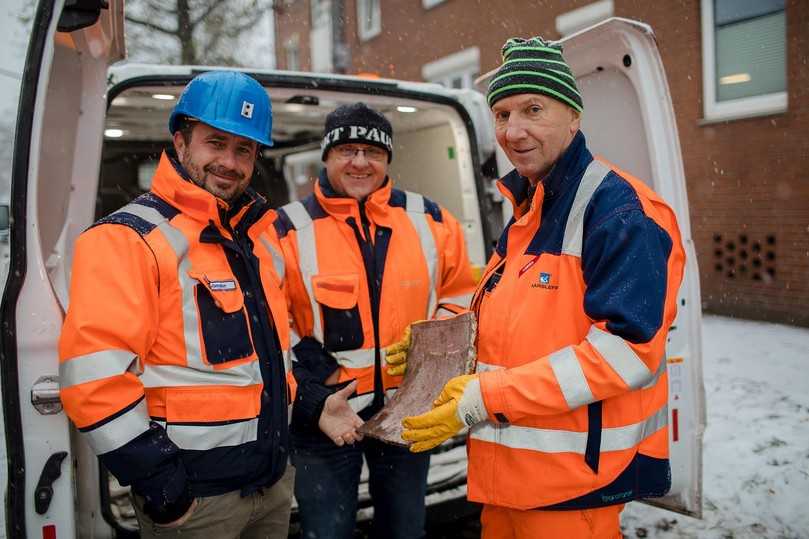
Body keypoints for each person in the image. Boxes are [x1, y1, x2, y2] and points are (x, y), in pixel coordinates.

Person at [402, 36, 686, 538]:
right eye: (503, 114)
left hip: (572, 491)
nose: (514, 131)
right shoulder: (528, 211)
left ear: (574, 117)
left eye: (533, 109)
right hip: (506, 482)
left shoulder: (620, 212)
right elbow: (512, 318)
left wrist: (482, 399)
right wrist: (440, 344)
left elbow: (626, 354)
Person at [59, 70, 295, 539]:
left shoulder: (260, 239)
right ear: (181, 141)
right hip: (197, 503)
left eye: (244, 149)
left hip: (270, 485)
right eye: (215, 142)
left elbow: (271, 358)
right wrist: (163, 487)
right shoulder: (129, 238)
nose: (229, 161)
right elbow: (94, 381)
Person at [273, 102, 475, 539]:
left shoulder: (432, 219)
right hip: (325, 416)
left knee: (404, 530)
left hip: (406, 410)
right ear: (326, 155)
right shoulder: (284, 229)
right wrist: (316, 382)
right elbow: (270, 319)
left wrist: (430, 365)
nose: (360, 162)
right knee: (327, 531)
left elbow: (461, 293)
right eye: (347, 149)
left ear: (387, 159)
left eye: (373, 151)